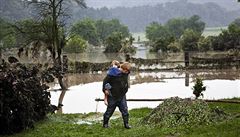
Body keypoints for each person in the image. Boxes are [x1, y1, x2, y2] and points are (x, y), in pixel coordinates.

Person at [102, 62, 131, 129]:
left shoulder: (126, 73)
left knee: (125, 110)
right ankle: (105, 124)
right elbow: (105, 82)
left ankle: (126, 124)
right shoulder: (112, 74)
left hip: (122, 96)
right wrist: (105, 90)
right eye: (126, 71)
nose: (127, 72)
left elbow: (125, 68)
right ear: (122, 69)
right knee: (109, 111)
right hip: (112, 96)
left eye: (128, 71)